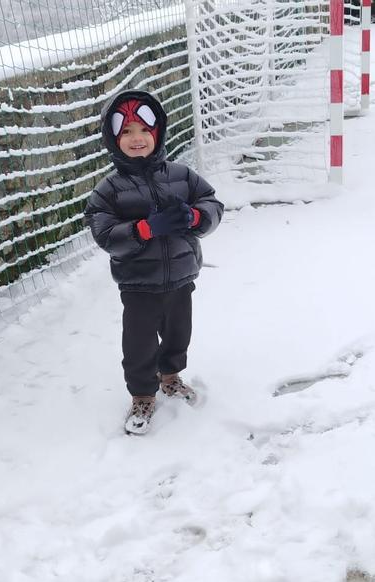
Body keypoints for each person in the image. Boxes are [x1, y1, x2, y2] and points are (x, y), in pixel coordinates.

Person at [85, 90, 224, 435]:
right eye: (127, 131)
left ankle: (171, 376)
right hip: (138, 284)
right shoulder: (109, 189)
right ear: (113, 139)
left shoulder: (181, 175)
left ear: (158, 133)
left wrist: (194, 217)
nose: (136, 138)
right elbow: (104, 233)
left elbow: (212, 204)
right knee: (139, 343)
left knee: (179, 333)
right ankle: (142, 394)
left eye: (144, 130)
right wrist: (144, 229)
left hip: (180, 276)